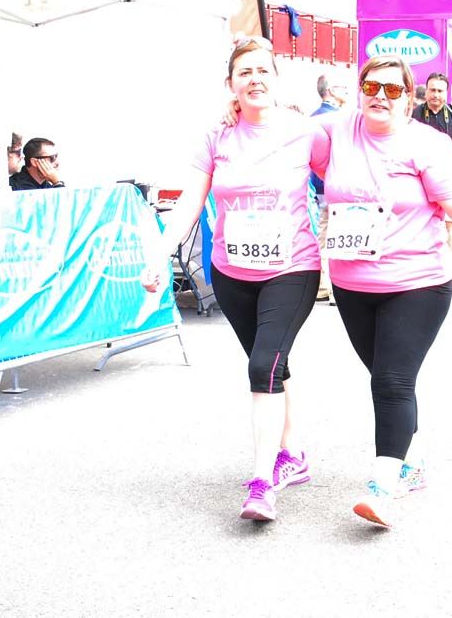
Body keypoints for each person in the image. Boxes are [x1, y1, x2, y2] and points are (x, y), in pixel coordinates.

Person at [141, 35, 330, 522]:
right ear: (231, 84)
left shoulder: (306, 132)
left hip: (292, 268)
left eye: (263, 70)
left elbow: (344, 183)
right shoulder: (216, 136)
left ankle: (263, 482)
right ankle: (294, 455)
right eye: (244, 72)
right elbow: (189, 200)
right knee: (269, 366)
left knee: (262, 364)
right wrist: (159, 256)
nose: (254, 79)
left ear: (276, 79)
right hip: (231, 271)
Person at [316, 54, 452, 528]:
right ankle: (409, 464)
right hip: (353, 283)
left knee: (391, 381)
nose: (380, 96)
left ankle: (382, 486)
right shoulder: (337, 131)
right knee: (386, 377)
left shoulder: (429, 145)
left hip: (417, 282)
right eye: (372, 87)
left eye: (393, 90)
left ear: (409, 98)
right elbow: (281, 135)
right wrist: (236, 112)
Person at [310, 73, 349, 304]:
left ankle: (324, 286)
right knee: (336, 236)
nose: (346, 91)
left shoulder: (313, 118)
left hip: (318, 187)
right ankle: (333, 287)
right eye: (342, 86)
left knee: (323, 236)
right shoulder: (339, 121)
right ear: (332, 90)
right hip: (335, 187)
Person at [411, 72, 452, 155]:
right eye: (432, 90)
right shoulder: (415, 114)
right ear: (426, 91)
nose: (436, 95)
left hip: (449, 165)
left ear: (446, 93)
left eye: (440, 91)